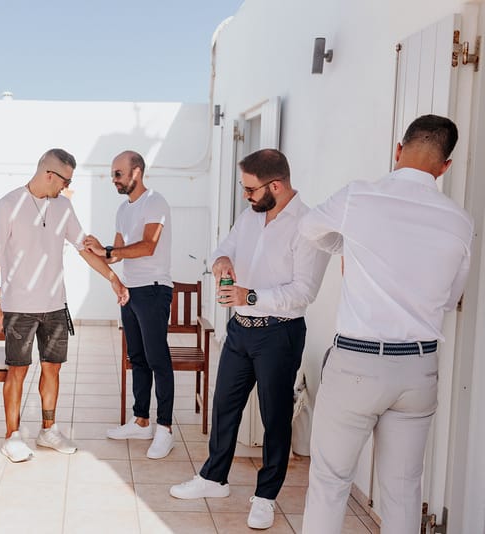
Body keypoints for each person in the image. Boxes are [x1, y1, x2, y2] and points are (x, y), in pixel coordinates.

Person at [299, 115, 473, 534]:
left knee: (330, 482)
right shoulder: (460, 221)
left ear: (398, 149)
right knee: (403, 491)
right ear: (445, 167)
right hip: (418, 368)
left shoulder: (360, 197)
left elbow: (309, 229)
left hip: (357, 364)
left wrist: (344, 243)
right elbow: (449, 299)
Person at [168, 149, 329, 530]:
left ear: (276, 185)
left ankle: (266, 496)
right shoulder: (250, 216)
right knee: (224, 407)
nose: (246, 196)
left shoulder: (309, 225)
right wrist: (222, 261)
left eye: (250, 189)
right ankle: (213, 479)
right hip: (241, 329)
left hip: (280, 333)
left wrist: (249, 296)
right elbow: (224, 249)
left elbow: (303, 292)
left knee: (275, 417)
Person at [0, 148, 129, 463]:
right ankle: (13, 435)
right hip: (18, 307)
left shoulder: (63, 207)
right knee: (18, 371)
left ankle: (48, 430)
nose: (66, 187)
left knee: (53, 368)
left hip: (55, 306)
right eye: (65, 180)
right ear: (50, 174)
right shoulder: (8, 205)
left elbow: (84, 248)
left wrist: (113, 278)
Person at [83, 150, 177, 460]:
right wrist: (98, 249)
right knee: (137, 357)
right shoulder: (123, 210)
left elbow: (149, 246)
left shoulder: (156, 202)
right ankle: (141, 421)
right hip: (130, 292)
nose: (114, 180)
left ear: (136, 172)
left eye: (118, 174)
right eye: (113, 174)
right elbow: (118, 253)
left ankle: (164, 429)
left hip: (153, 290)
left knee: (157, 358)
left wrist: (110, 249)